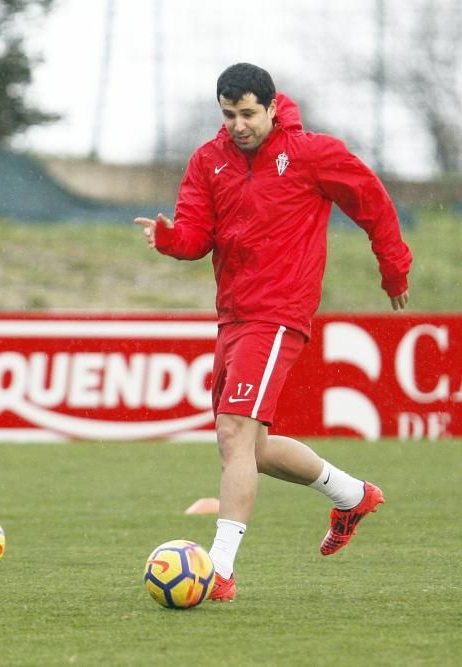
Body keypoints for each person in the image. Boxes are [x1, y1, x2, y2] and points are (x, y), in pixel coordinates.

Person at [134, 63, 412, 602]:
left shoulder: (311, 153)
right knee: (253, 448)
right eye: (228, 115)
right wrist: (171, 238)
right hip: (233, 316)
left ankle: (219, 570)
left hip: (279, 312)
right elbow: (197, 236)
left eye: (247, 114)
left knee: (232, 433)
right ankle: (353, 496)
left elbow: (372, 201)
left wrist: (393, 265)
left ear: (270, 108)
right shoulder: (207, 161)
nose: (237, 125)